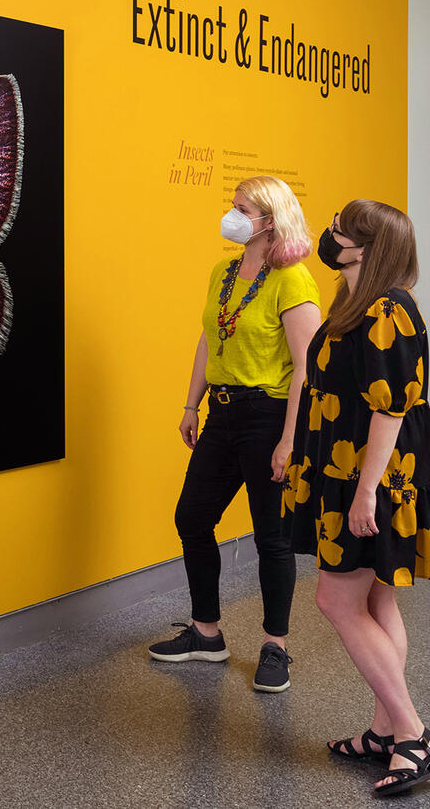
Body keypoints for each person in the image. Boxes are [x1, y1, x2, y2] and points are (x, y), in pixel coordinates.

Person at [283, 199, 430, 796]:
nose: (330, 236)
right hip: (349, 467)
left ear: (368, 249)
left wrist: (365, 494)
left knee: (337, 601)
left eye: (341, 233)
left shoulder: (388, 309)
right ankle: (385, 732)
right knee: (377, 604)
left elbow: (390, 407)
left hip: (370, 474)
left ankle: (412, 735)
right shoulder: (356, 304)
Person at [150, 176, 321, 694]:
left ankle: (276, 646)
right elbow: (210, 337)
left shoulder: (292, 280)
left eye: (241, 208)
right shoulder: (223, 270)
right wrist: (191, 402)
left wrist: (290, 439)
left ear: (269, 219)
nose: (232, 215)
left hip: (268, 416)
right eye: (233, 206)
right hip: (222, 414)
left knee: (273, 536)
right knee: (192, 517)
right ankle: (206, 632)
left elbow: (305, 369)